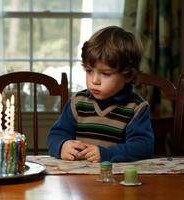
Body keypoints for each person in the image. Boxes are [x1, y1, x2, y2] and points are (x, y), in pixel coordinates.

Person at [47, 26, 154, 162]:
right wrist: (61, 146)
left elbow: (143, 148)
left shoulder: (136, 108)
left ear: (128, 75)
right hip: (77, 180)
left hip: (114, 179)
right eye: (89, 71)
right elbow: (56, 135)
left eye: (105, 73)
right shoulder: (78, 102)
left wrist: (107, 154)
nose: (94, 80)